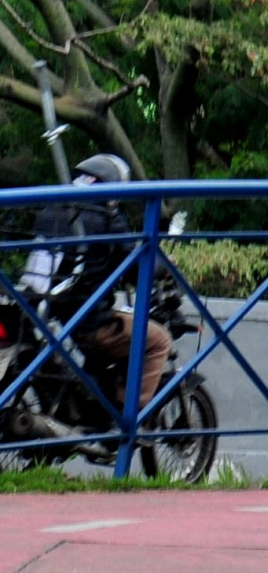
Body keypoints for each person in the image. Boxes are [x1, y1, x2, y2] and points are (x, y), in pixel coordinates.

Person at [23, 153, 173, 415]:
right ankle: (129, 419)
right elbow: (137, 264)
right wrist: (165, 266)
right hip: (88, 323)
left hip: (47, 313)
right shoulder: (105, 217)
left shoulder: (52, 210)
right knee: (159, 339)